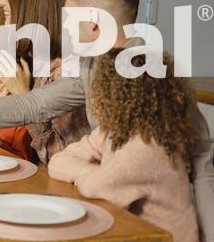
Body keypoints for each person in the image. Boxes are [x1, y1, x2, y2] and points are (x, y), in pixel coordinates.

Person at [0, 0, 214, 240]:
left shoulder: (157, 76)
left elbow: (202, 160)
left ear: (91, 22)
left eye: (69, 15)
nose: (64, 23)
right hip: (103, 201)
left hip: (148, 219)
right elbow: (34, 105)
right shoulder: (89, 66)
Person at [48, 49, 199, 242]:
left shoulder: (148, 145)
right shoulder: (112, 131)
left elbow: (93, 187)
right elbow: (58, 161)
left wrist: (93, 174)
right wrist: (95, 170)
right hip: (134, 232)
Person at [0, 0, 91, 166]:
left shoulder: (67, 72)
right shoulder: (34, 60)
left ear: (31, 4)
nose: (1, 1)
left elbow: (59, 159)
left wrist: (22, 96)